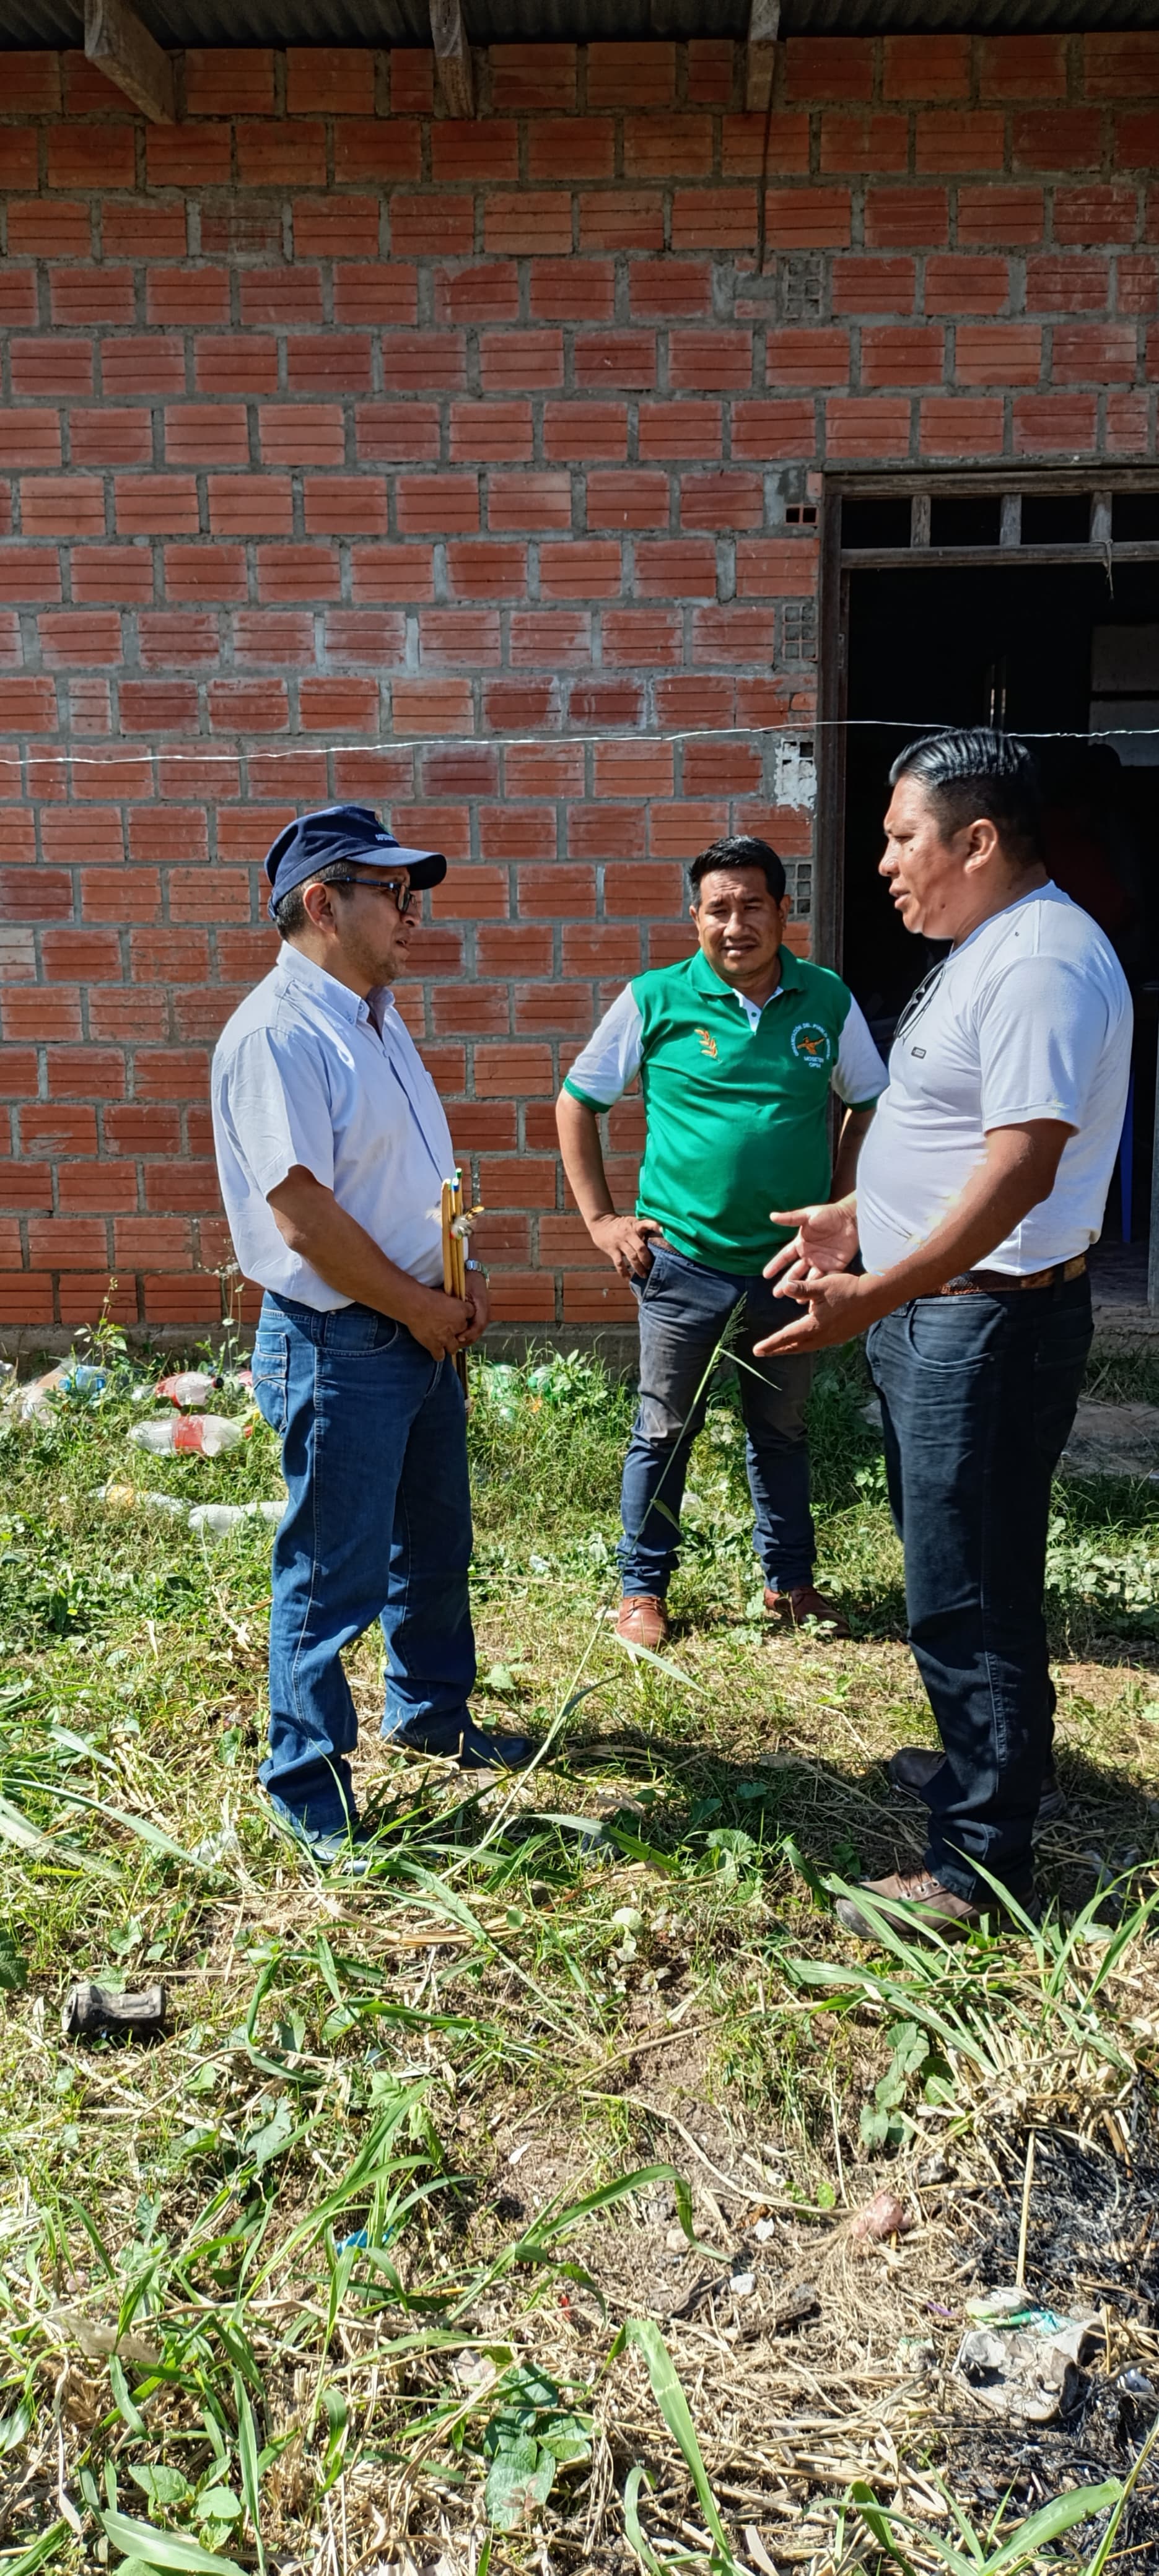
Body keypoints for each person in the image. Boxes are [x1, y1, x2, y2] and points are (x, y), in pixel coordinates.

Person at [756, 731, 1132, 1939]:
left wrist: (878, 1288)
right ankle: (997, 1765)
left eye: (902, 837)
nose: (881, 864)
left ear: (977, 842)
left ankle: (979, 1862)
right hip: (946, 1310)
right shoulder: (992, 948)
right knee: (955, 1562)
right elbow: (953, 1131)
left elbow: (1020, 1171)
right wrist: (858, 1215)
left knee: (966, 1592)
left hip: (988, 1323)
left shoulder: (1042, 964)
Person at [211, 803, 531, 1872]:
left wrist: (454, 1278)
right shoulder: (278, 1034)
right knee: (329, 1574)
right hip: (345, 1338)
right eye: (393, 893)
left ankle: (431, 1714)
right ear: (321, 904)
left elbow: (395, 1182)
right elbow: (299, 1214)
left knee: (433, 1548)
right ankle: (306, 1791)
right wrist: (414, 1302)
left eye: (413, 893)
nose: (414, 914)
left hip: (414, 1324)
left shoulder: (372, 1015)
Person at [556, 835, 887, 1647]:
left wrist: (843, 1208)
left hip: (790, 1267)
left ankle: (790, 1585)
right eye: (717, 909)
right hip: (684, 1262)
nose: (734, 925)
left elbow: (868, 1100)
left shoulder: (827, 1001)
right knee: (664, 1429)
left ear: (783, 911)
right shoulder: (654, 999)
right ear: (694, 916)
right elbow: (576, 1103)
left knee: (782, 1429)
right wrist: (601, 1220)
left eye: (752, 907)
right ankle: (642, 1593)